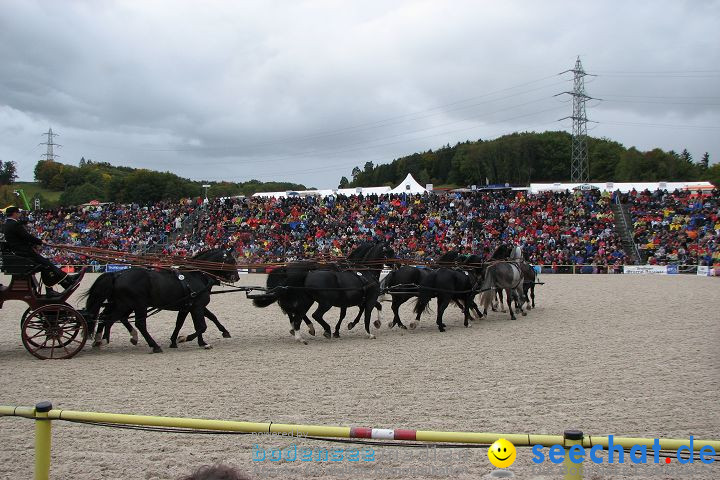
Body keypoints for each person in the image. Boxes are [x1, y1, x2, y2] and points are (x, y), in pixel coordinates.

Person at [2, 206, 84, 295]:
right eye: (18, 213)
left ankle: (66, 281)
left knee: (47, 264)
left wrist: (35, 243)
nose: (19, 214)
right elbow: (27, 237)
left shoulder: (7, 224)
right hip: (25, 253)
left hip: (20, 252)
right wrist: (40, 241)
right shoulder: (15, 224)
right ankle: (58, 286)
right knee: (46, 265)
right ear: (14, 213)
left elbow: (20, 239)